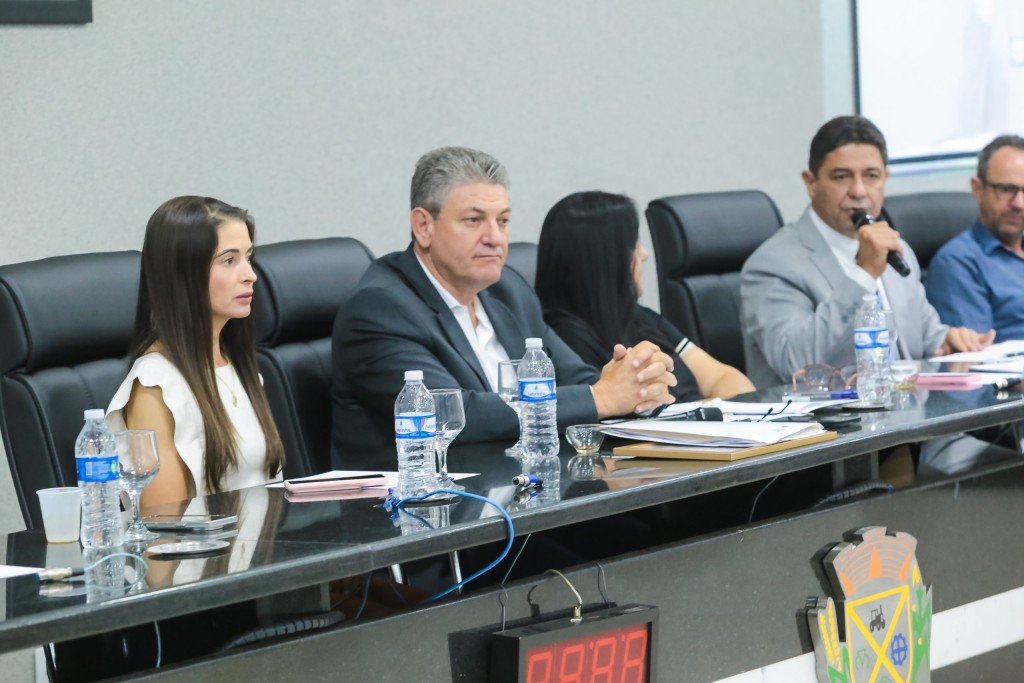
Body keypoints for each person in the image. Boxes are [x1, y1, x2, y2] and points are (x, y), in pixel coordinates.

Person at [331, 147, 677, 468]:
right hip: (426, 503)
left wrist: (635, 385)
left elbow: (576, 377)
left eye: (503, 221)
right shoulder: (381, 308)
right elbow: (454, 417)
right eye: (473, 220)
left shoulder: (507, 289)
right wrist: (600, 398)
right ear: (424, 226)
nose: (494, 237)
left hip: (525, 489)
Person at [740, 116, 993, 388]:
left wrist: (949, 340)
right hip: (831, 415)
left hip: (911, 410)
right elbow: (796, 363)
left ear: (885, 178)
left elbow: (925, 337)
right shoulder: (772, 264)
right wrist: (863, 274)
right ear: (811, 183)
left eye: (871, 176)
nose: (859, 191)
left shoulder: (895, 249)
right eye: (841, 177)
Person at [107, 196, 285, 510]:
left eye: (248, 257)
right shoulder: (156, 384)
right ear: (183, 274)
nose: (250, 275)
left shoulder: (238, 366)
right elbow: (165, 526)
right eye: (229, 260)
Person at [535, 191, 754, 400]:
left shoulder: (640, 317)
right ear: (606, 260)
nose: (644, 254)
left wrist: (744, 412)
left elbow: (721, 376)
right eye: (633, 244)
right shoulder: (566, 343)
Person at [926, 134, 1024, 340]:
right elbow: (976, 351)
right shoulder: (958, 262)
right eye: (1007, 189)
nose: (1019, 204)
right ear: (977, 189)